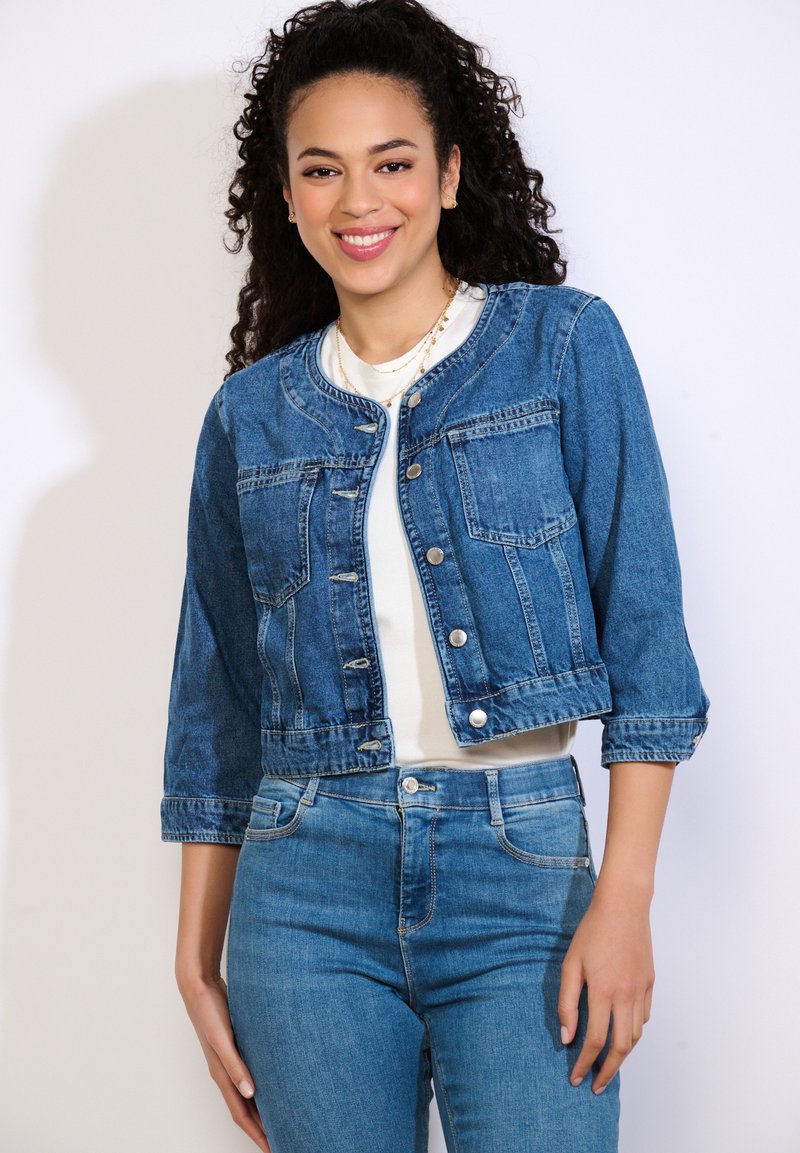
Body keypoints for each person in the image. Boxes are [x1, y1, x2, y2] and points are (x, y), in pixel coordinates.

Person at [160, 2, 710, 1151]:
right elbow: (217, 705)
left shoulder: (561, 347)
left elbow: (646, 644)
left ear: (450, 174)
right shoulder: (249, 416)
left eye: (392, 162)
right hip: (302, 896)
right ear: (285, 194)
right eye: (321, 169)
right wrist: (193, 958)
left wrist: (624, 897)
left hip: (523, 882)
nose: (358, 201)